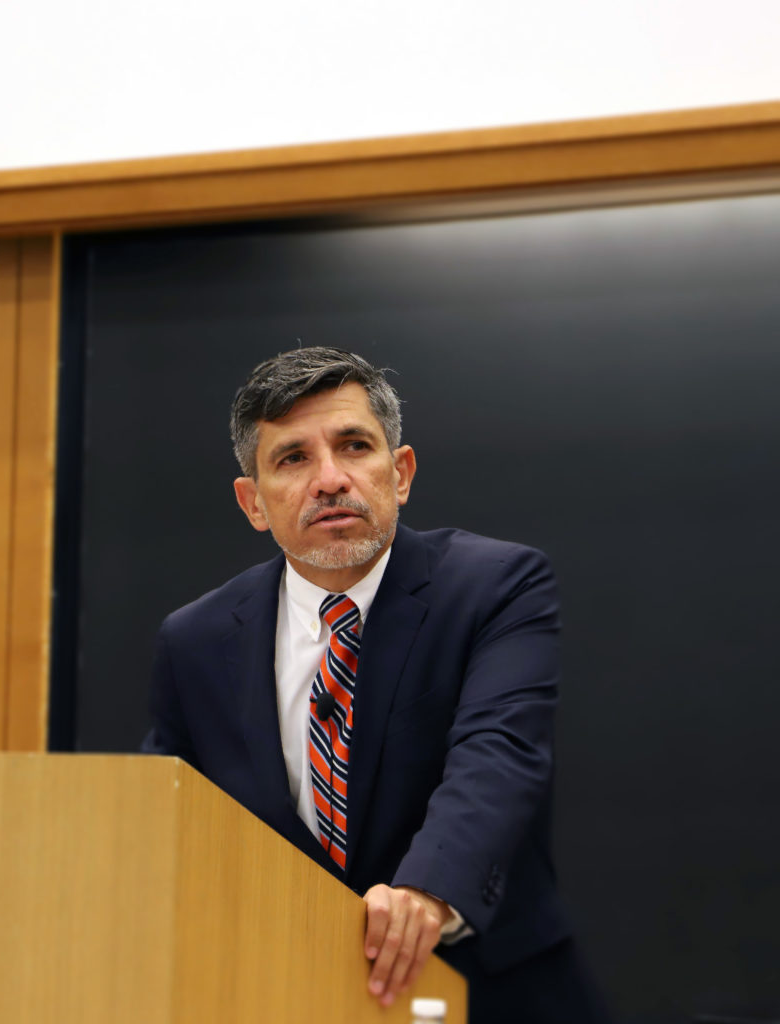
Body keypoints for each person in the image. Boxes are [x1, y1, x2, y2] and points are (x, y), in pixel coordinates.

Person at [142, 347, 609, 1022]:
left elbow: (498, 755)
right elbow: (172, 819)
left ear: (401, 472)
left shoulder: (495, 588)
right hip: (278, 993)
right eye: (293, 458)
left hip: (489, 990)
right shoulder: (194, 640)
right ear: (252, 502)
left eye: (353, 446)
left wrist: (426, 892)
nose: (330, 479)